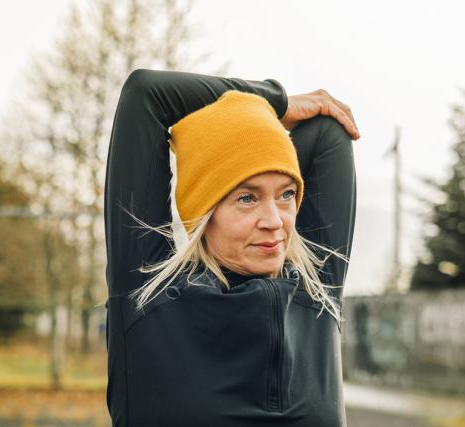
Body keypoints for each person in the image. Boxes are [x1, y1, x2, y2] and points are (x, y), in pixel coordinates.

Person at [103, 68, 359, 426]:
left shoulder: (317, 294)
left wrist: (259, 129)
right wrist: (276, 102)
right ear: (205, 213)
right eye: (246, 198)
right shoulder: (148, 298)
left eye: (286, 194)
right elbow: (147, 94)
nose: (274, 220)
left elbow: (328, 130)